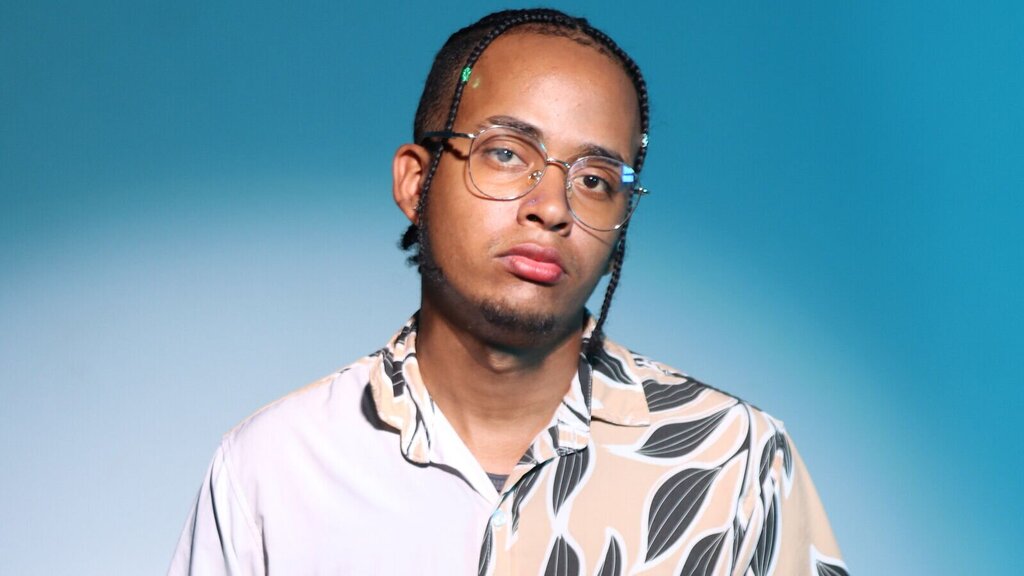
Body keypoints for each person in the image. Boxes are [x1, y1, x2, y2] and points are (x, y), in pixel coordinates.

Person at [169, 8, 846, 576]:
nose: (552, 207)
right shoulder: (272, 469)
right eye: (506, 153)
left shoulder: (738, 462)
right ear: (415, 183)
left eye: (595, 180)